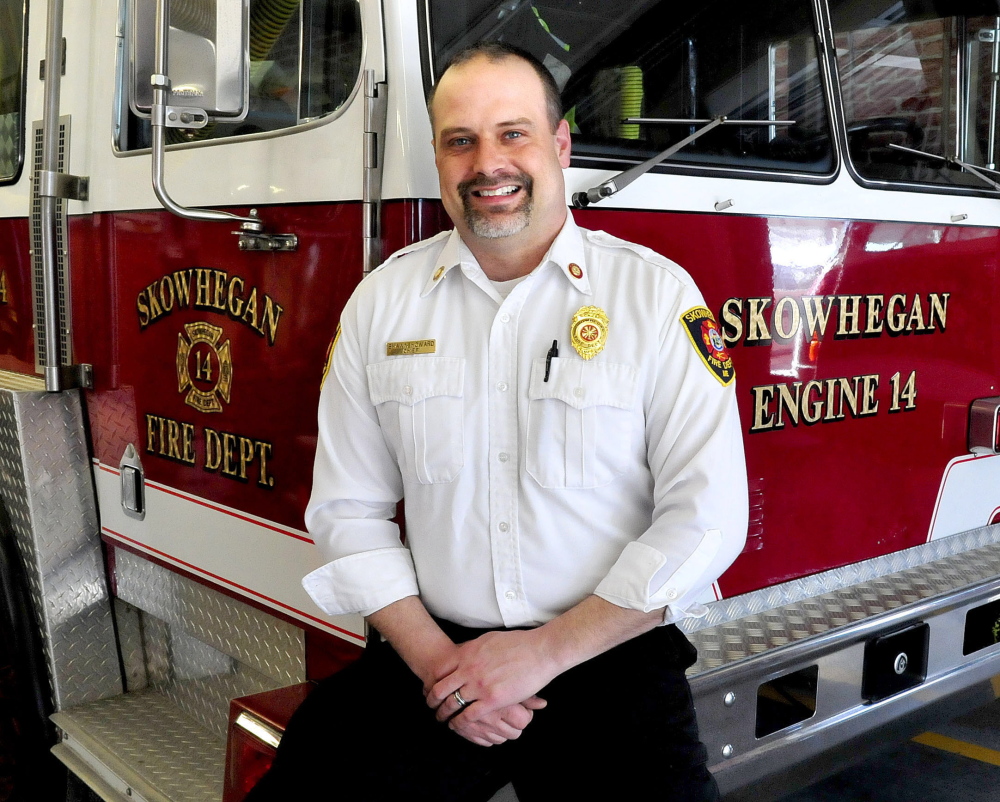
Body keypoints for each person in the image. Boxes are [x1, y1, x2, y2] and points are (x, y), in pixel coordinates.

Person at [246, 41, 748, 802]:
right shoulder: (382, 304)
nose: (489, 163)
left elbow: (708, 520)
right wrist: (444, 669)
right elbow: (347, 511)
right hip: (432, 657)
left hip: (607, 656)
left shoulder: (655, 297)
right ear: (442, 159)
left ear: (560, 144)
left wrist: (541, 654)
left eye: (513, 133)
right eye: (461, 140)